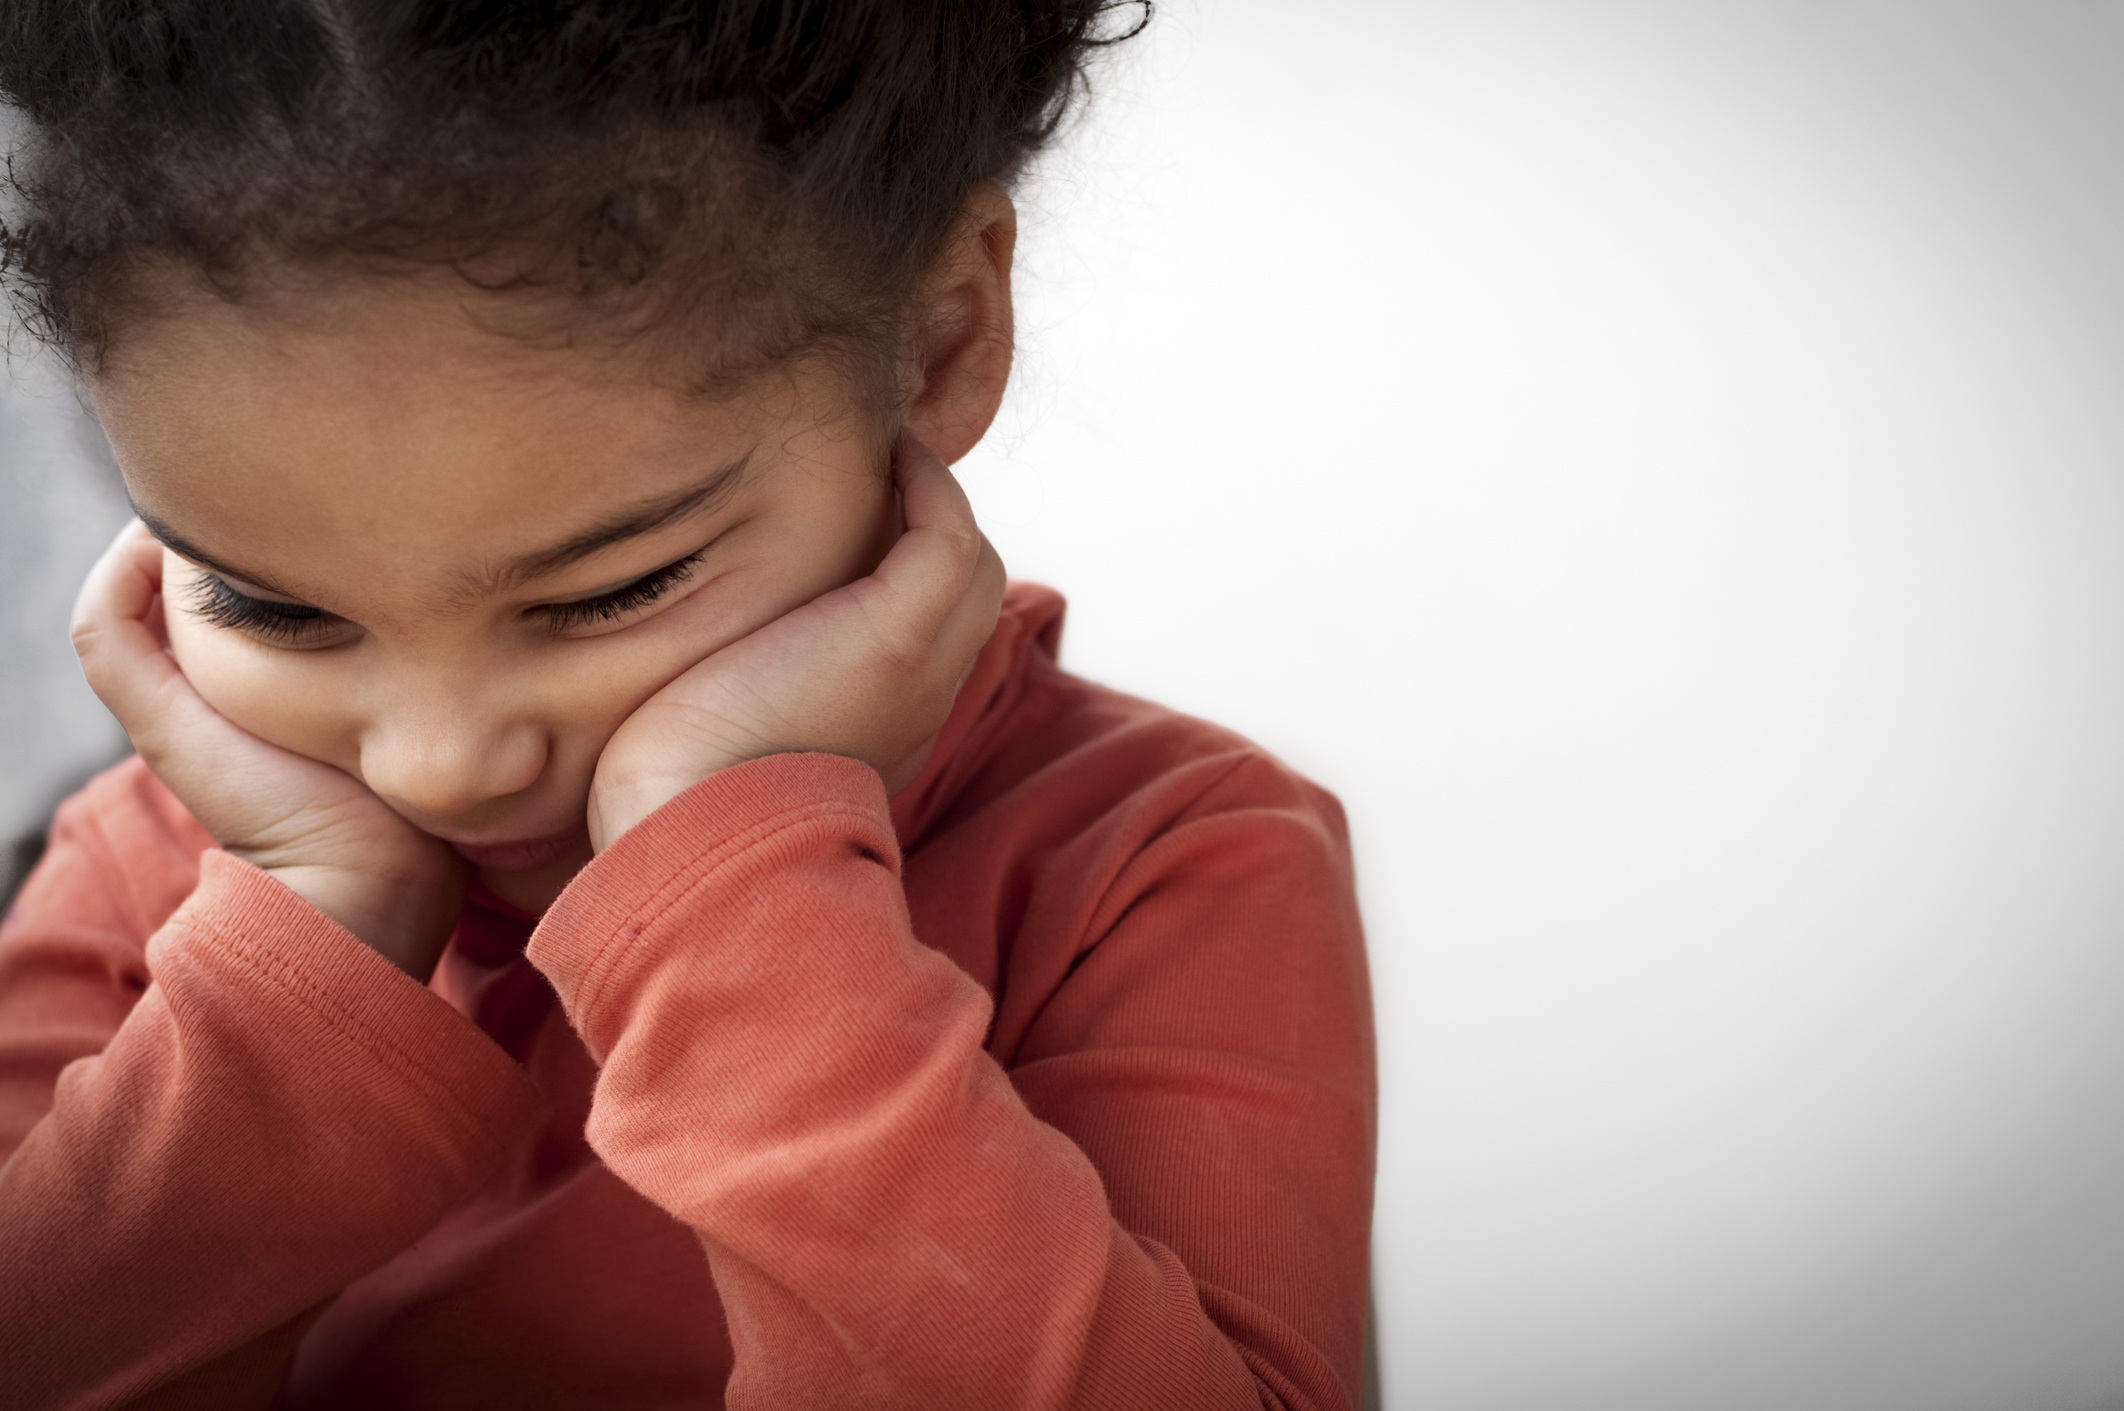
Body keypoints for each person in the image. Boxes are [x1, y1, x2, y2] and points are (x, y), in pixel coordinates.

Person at [0, 3, 1376, 1406]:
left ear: (943, 335)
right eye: (270, 606)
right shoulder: (138, 879)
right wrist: (308, 951)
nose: (445, 764)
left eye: (609, 592)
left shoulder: (1164, 863)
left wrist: (730, 891)